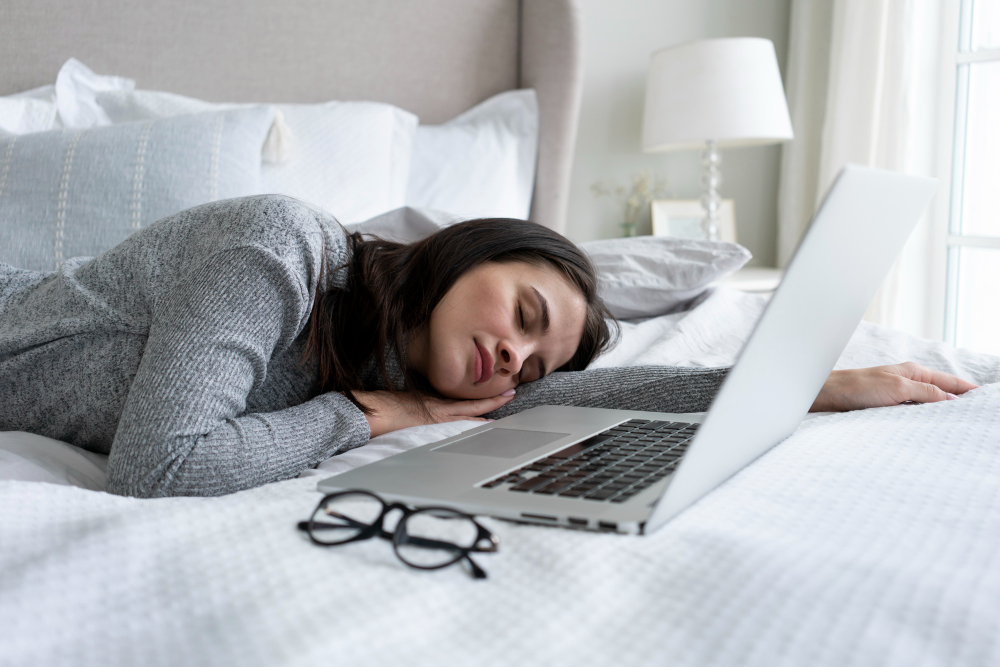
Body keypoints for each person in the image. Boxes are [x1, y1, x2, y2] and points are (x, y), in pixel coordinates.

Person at [0, 195, 976, 498]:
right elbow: (160, 467)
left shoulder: (408, 348)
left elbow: (590, 396)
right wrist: (362, 418)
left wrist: (813, 383)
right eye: (521, 314)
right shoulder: (276, 249)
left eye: (534, 357)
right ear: (465, 254)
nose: (514, 358)